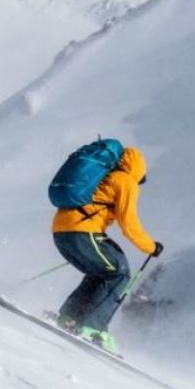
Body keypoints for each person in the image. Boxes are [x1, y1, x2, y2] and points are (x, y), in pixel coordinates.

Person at [51, 146, 162, 354]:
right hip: (82, 230)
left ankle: (69, 317)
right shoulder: (126, 180)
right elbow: (129, 223)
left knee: (101, 272)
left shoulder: (105, 175)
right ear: (138, 170)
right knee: (118, 273)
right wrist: (151, 246)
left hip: (61, 231)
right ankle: (92, 327)